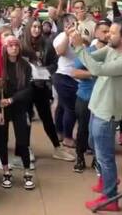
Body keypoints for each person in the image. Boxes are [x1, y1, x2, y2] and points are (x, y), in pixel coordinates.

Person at [69, 19, 122, 211]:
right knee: (94, 146)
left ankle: (110, 198)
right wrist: (80, 43)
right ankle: (107, 180)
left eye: (113, 32)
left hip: (107, 113)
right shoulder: (111, 49)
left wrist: (79, 47)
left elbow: (95, 69)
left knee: (105, 156)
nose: (108, 35)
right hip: (96, 107)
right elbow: (91, 58)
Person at [21, 17, 74, 162]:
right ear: (28, 28)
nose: (36, 29)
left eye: (38, 27)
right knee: (26, 119)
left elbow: (55, 62)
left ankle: (57, 148)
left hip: (41, 86)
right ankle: (26, 149)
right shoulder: (21, 44)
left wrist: (46, 71)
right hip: (25, 87)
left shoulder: (46, 43)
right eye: (34, 27)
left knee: (47, 118)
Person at [0, 35, 35, 190]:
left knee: (23, 141)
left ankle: (27, 172)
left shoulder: (25, 66)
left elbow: (29, 90)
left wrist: (11, 99)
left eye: (16, 45)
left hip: (20, 107)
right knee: (1, 139)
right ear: (5, 47)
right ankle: (6, 171)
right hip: (2, 108)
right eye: (10, 45)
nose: (14, 48)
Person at [71, 19, 110, 173]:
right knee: (83, 130)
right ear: (96, 32)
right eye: (103, 31)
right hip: (86, 97)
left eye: (109, 31)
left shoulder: (113, 53)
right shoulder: (88, 51)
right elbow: (74, 72)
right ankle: (79, 157)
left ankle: (97, 160)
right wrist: (95, 73)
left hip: (104, 100)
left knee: (100, 133)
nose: (106, 34)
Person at [52, 14, 79, 148]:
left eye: (74, 23)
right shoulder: (60, 37)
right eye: (69, 23)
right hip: (63, 75)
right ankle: (67, 137)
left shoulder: (79, 36)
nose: (72, 25)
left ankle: (59, 132)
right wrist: (67, 36)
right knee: (71, 108)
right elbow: (60, 52)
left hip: (76, 77)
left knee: (63, 106)